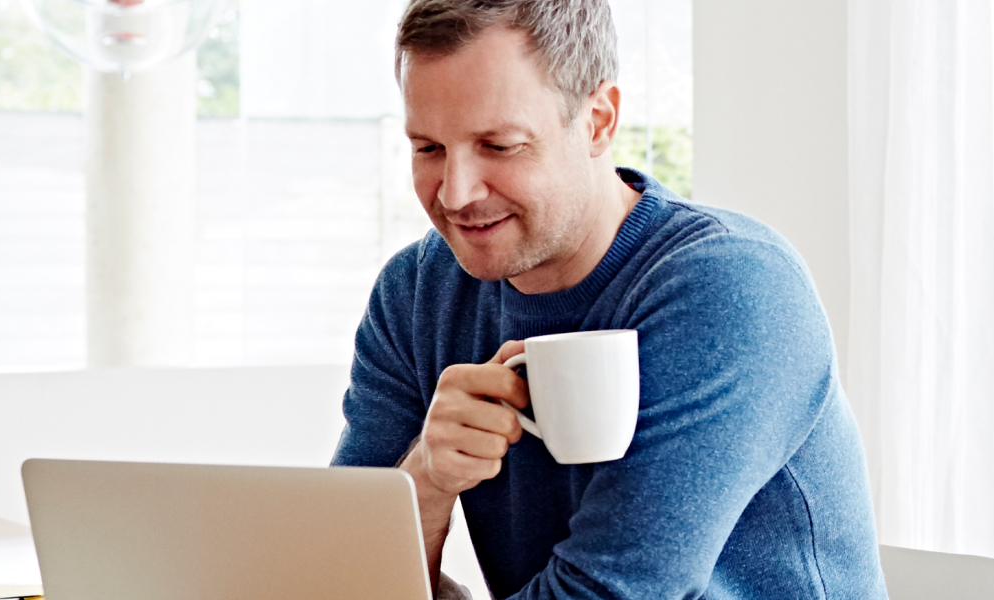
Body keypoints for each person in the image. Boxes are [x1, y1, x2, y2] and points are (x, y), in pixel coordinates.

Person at [330, 0, 887, 598]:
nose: (457, 193)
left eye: (499, 145)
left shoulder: (732, 289)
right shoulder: (416, 294)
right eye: (429, 149)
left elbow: (606, 592)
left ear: (597, 120)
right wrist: (428, 479)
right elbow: (329, 576)